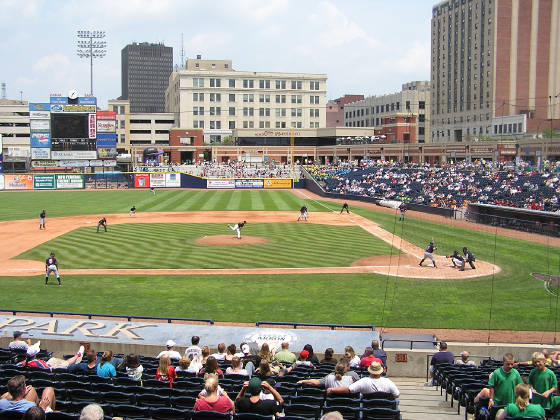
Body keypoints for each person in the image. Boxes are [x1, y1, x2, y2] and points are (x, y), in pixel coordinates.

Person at [327, 362, 400, 399]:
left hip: (368, 412)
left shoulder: (363, 381)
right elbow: (397, 395)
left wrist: (332, 389)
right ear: (381, 372)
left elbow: (348, 389)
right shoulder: (388, 382)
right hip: (386, 412)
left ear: (370, 371)